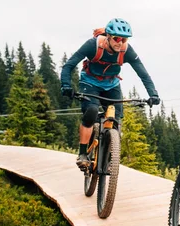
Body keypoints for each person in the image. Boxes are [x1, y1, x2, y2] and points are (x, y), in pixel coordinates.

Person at [60, 18, 161, 169]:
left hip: (112, 84)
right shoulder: (92, 45)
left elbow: (143, 74)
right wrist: (66, 86)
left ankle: (109, 153)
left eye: (124, 39)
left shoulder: (127, 51)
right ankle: (82, 153)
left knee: (117, 117)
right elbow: (68, 66)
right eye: (116, 38)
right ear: (108, 36)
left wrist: (153, 94)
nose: (120, 42)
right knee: (91, 111)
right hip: (90, 82)